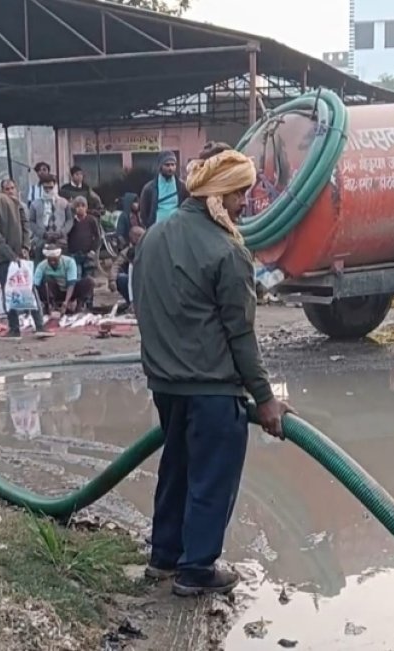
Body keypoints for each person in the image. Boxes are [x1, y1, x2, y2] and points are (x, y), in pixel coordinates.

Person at [133, 142, 293, 597]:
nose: (245, 205)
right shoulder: (227, 251)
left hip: (166, 385)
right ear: (218, 195)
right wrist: (264, 399)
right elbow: (240, 335)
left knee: (177, 468)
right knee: (211, 479)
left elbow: (143, 309)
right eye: (240, 195)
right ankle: (196, 569)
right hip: (212, 390)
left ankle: (164, 558)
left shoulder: (153, 239)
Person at [0, 171, 46, 339]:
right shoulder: (13, 200)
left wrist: (11, 255)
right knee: (29, 288)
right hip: (21, 253)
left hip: (5, 256)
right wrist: (25, 247)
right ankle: (40, 325)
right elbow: (25, 224)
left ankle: (14, 329)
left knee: (9, 291)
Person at [34, 245, 94, 315]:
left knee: (89, 281)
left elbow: (71, 283)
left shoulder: (69, 262)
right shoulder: (41, 266)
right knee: (46, 281)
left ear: (60, 256)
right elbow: (35, 285)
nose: (53, 262)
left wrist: (66, 302)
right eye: (50, 260)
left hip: (70, 290)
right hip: (55, 292)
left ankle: (79, 307)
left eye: (55, 260)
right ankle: (51, 306)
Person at [139, 150, 188, 229]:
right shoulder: (149, 188)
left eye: (173, 165)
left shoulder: (182, 186)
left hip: (177, 227)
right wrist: (149, 225)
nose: (170, 168)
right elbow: (144, 212)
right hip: (157, 229)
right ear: (160, 166)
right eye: (167, 165)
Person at [28, 173, 72, 260]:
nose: (48, 190)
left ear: (55, 186)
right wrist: (42, 233)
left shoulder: (64, 202)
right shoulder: (35, 204)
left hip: (60, 241)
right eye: (45, 188)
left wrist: (62, 232)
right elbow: (31, 222)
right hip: (42, 242)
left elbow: (69, 220)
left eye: (50, 187)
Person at [67, 196, 101, 282]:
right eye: (78, 206)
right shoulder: (71, 221)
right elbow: (67, 234)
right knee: (77, 276)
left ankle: (88, 295)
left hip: (88, 253)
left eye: (83, 206)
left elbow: (97, 236)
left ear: (86, 207)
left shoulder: (91, 220)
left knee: (88, 278)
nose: (80, 208)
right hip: (74, 253)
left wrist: (93, 250)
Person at [109, 226, 144, 309]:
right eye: (137, 235)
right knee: (122, 278)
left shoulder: (150, 247)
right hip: (135, 281)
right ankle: (131, 303)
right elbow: (116, 265)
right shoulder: (129, 252)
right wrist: (112, 280)